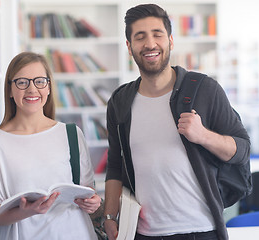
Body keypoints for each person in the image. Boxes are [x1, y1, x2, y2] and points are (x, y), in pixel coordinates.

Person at [103, 4, 250, 240]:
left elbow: (242, 150)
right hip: (143, 233)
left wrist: (204, 136)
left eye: (157, 34)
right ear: (130, 48)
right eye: (140, 37)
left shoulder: (205, 89)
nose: (150, 44)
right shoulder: (120, 101)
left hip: (201, 230)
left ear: (170, 40)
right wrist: (109, 216)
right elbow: (115, 165)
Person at [0, 52, 101, 240]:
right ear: (10, 90)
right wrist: (28, 211)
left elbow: (88, 191)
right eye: (22, 82)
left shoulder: (71, 134)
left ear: (48, 88)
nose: (32, 89)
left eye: (40, 81)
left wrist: (93, 203)